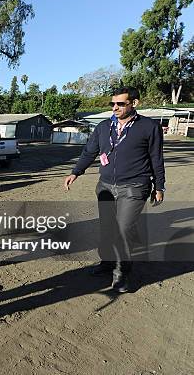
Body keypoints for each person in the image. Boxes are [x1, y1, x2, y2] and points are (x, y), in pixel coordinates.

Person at [64, 85, 165, 293]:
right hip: (106, 186)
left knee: (123, 229)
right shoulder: (103, 127)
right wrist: (75, 172)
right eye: (113, 104)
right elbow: (89, 151)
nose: (115, 108)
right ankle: (107, 262)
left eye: (120, 103)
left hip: (135, 186)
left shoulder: (149, 127)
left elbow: (156, 158)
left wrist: (159, 185)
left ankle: (121, 275)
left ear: (134, 103)